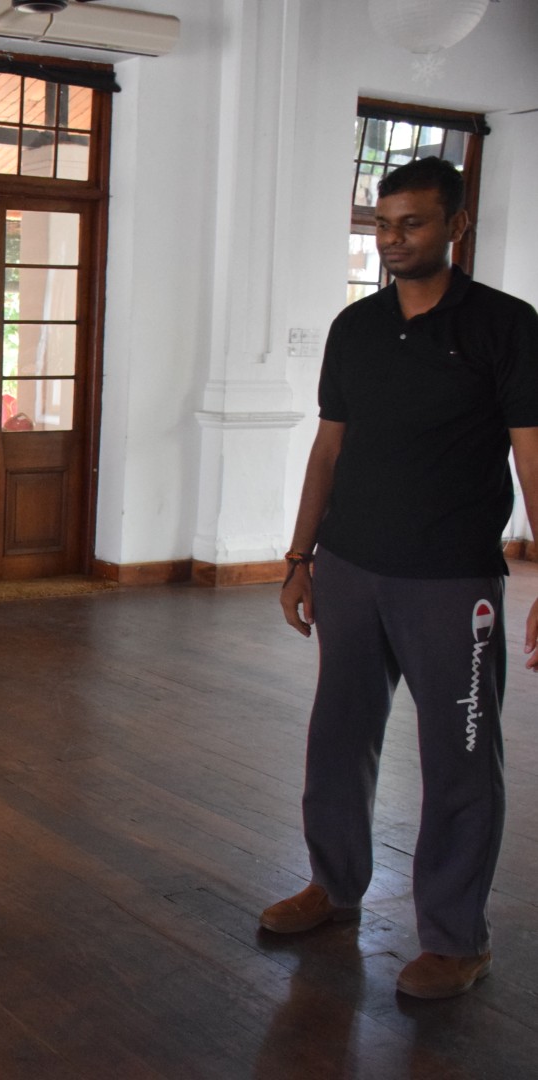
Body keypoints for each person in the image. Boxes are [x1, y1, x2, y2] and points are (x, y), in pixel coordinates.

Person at [263, 157, 538, 1000]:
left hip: (450, 581)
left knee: (459, 755)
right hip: (349, 567)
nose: (391, 239)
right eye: (382, 224)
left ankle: (455, 938)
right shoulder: (356, 327)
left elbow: (532, 454)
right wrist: (299, 556)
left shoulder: (504, 326)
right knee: (337, 736)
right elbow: (328, 447)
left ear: (455, 225)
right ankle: (333, 885)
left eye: (411, 223)